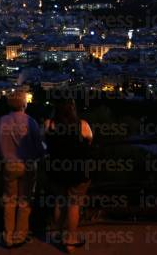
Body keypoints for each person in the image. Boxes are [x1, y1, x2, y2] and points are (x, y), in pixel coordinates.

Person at [0, 91, 45, 248]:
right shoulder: (30, 122)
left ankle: (8, 236)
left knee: (9, 201)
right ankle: (20, 235)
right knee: (24, 201)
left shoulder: (1, 121)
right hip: (28, 165)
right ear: (23, 104)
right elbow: (39, 147)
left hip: (9, 165)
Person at [44, 99, 93, 253]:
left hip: (57, 170)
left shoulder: (49, 124)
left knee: (60, 202)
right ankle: (71, 240)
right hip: (77, 171)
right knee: (74, 205)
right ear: (73, 109)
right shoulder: (82, 125)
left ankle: (58, 235)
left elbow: (44, 142)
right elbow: (90, 141)